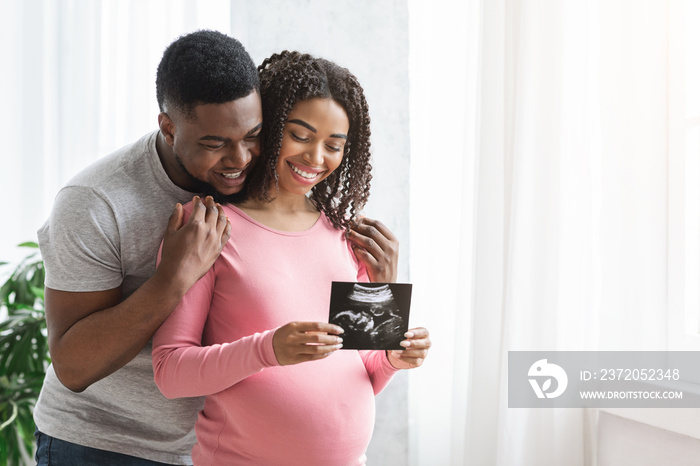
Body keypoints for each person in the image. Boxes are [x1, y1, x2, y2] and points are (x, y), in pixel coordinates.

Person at [34, 31, 399, 465]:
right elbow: (74, 367)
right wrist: (173, 278)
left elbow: (360, 360)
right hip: (105, 442)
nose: (241, 159)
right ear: (169, 127)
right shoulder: (97, 202)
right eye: (215, 143)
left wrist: (384, 297)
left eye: (253, 136)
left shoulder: (290, 211)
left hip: (202, 443)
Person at [151, 51, 431, 466]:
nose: (316, 159)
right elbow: (171, 373)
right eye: (301, 136)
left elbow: (366, 375)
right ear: (269, 126)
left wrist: (394, 356)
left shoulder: (348, 235)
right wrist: (268, 349)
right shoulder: (208, 229)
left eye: (334, 146)